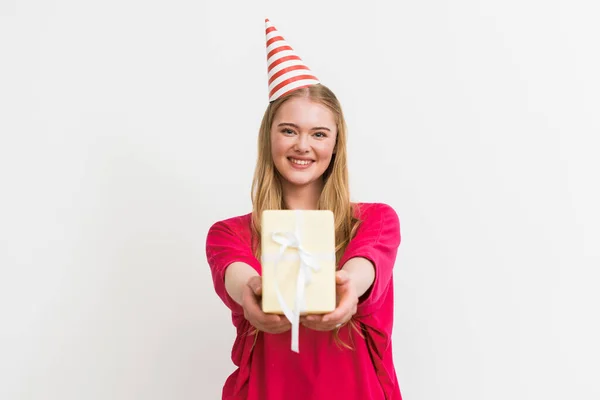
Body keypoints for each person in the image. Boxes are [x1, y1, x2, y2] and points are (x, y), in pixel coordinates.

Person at [205, 19, 402, 400]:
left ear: (335, 144)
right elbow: (237, 276)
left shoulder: (374, 220)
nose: (303, 145)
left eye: (319, 133)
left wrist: (345, 286)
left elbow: (364, 268)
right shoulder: (228, 233)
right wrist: (253, 292)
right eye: (289, 130)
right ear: (270, 138)